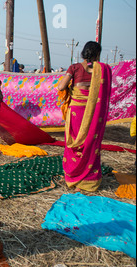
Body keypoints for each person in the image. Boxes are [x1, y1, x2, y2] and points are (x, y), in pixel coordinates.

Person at [57, 41, 112, 192]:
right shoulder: (102, 70)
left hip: (76, 112)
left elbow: (61, 87)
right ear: (97, 54)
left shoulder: (74, 68)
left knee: (74, 142)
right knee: (90, 144)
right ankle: (89, 181)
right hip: (93, 112)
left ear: (83, 52)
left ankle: (73, 175)